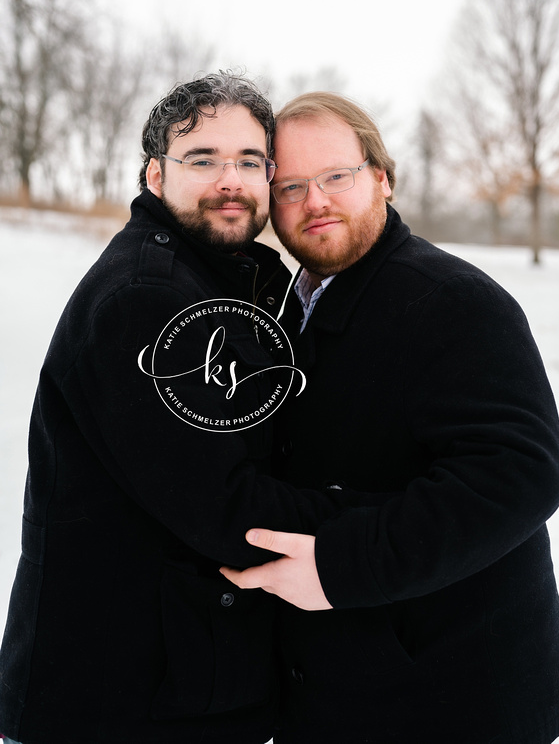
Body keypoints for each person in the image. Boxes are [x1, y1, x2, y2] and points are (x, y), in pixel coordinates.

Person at [0, 74, 368, 744]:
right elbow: (230, 511)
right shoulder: (148, 300)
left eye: (249, 162)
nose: (230, 180)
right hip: (116, 705)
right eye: (201, 159)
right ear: (154, 175)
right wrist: (383, 514)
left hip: (177, 683)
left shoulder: (226, 282)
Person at [220, 91, 559, 743]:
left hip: (452, 703)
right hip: (349, 693)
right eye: (289, 186)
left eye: (335, 177)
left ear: (381, 176)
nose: (313, 201)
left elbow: (519, 476)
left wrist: (342, 565)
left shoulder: (454, 303)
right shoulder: (291, 311)